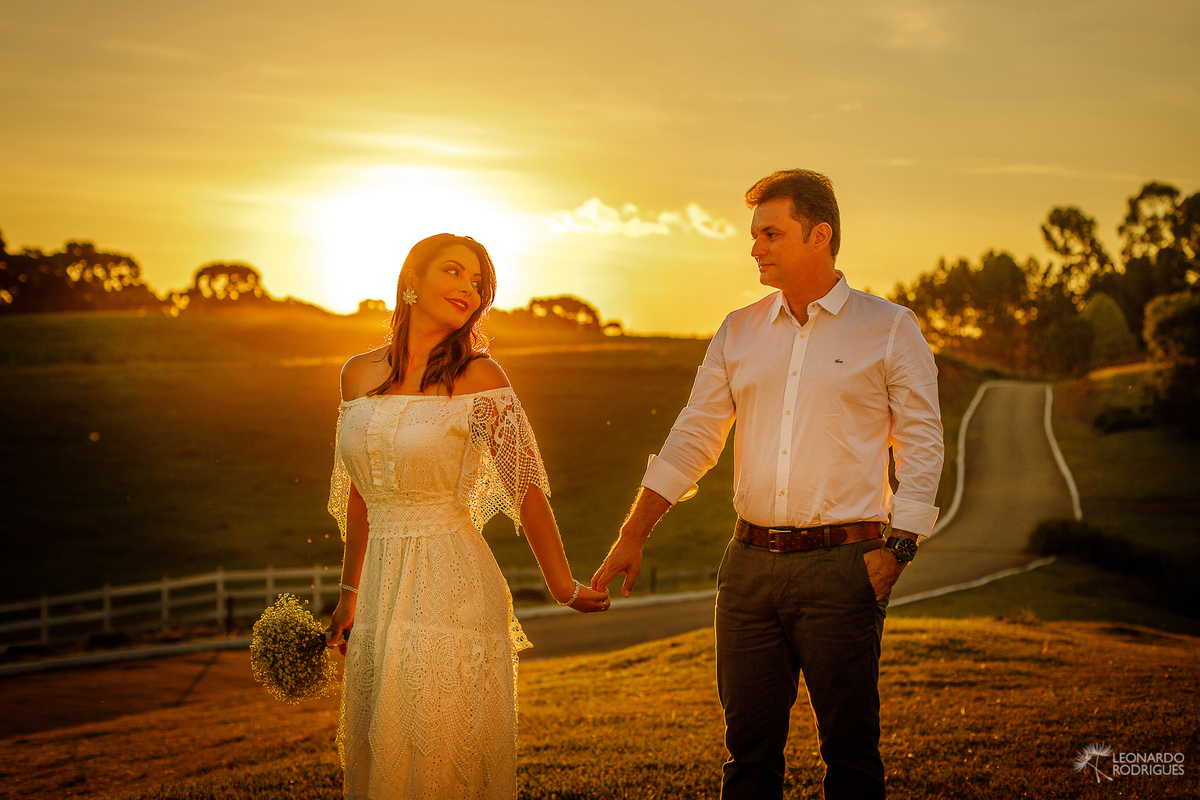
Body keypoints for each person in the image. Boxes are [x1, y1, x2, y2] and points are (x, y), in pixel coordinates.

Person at [592, 169, 944, 799]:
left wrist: (900, 548)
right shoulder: (738, 330)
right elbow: (694, 435)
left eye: (771, 233)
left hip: (844, 568)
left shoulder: (890, 328)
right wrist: (633, 533)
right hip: (748, 570)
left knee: (851, 756)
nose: (755, 247)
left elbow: (921, 442)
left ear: (820, 235)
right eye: (754, 234)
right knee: (748, 759)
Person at [324, 233, 610, 800]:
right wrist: (349, 594)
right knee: (382, 752)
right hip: (380, 590)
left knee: (438, 752)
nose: (468, 289)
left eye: (478, 282)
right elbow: (360, 494)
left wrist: (563, 586)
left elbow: (525, 487)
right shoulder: (356, 374)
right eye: (453, 271)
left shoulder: (481, 378)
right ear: (411, 280)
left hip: (451, 584)